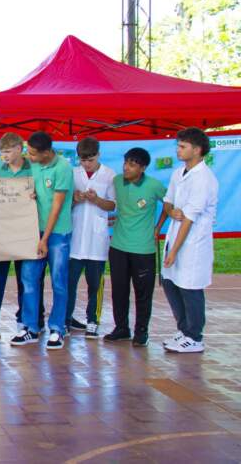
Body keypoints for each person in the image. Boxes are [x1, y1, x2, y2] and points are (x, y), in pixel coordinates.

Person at [10, 131, 73, 350]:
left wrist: (44, 240)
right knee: (28, 279)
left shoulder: (63, 167)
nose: (30, 156)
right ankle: (30, 327)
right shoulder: (33, 164)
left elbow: (56, 207)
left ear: (47, 153)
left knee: (58, 281)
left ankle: (57, 328)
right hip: (33, 231)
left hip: (57, 234)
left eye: (34, 154)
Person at [161, 128, 218, 353]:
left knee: (190, 287)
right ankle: (183, 330)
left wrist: (174, 251)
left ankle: (195, 336)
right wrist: (171, 209)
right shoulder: (178, 173)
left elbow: (189, 219)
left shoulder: (204, 179)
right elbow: (168, 202)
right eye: (178, 145)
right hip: (175, 236)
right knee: (170, 282)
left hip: (193, 242)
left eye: (183, 146)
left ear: (197, 149)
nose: (178, 150)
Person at [0, 133, 46, 338]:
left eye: (8, 151)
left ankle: (24, 319)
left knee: (26, 277)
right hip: (1, 230)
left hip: (26, 230)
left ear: (20, 148)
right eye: (2, 152)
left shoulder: (33, 168)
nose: (5, 156)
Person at [105, 147, 166, 346]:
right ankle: (121, 328)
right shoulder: (117, 181)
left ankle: (141, 332)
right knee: (119, 290)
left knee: (143, 292)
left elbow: (169, 204)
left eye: (132, 164)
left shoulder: (154, 185)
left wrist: (158, 227)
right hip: (118, 246)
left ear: (143, 168)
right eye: (125, 163)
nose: (126, 168)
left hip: (143, 248)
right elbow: (119, 206)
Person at [66, 137, 115, 338]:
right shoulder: (72, 174)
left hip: (97, 240)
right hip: (75, 239)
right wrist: (75, 199)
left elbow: (112, 205)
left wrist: (96, 200)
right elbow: (63, 204)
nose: (86, 164)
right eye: (83, 160)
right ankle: (66, 319)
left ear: (99, 155)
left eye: (90, 160)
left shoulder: (109, 175)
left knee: (95, 284)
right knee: (69, 283)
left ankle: (93, 321)